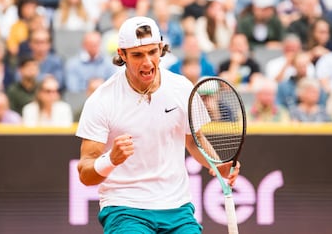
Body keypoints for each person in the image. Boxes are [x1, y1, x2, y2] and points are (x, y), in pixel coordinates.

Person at [76, 16, 240, 233]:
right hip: (125, 208)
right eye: (137, 55)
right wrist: (110, 159)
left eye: (153, 52)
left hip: (177, 208)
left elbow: (194, 141)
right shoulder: (101, 100)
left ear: (161, 49)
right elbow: (85, 174)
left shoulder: (182, 88)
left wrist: (215, 164)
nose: (147, 62)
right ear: (121, 54)